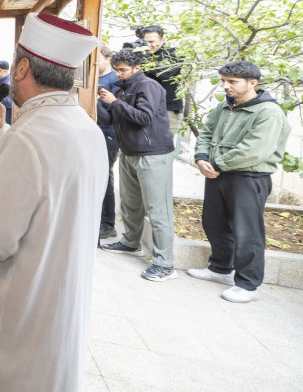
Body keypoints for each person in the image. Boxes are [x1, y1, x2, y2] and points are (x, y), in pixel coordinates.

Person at [0, 13, 106, 391]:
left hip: (19, 304)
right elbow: (46, 177)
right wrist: (1, 132)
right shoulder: (87, 128)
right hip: (58, 299)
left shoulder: (30, 136)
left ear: (21, 68)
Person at [189, 61, 291, 303]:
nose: (225, 86)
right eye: (224, 80)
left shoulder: (269, 112)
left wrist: (217, 164)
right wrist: (201, 157)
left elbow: (255, 149)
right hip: (218, 173)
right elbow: (206, 133)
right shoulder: (223, 107)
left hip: (248, 176)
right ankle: (221, 269)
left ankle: (248, 285)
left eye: (232, 82)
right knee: (214, 223)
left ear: (252, 83)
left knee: (248, 233)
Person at [98, 49, 176, 281]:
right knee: (131, 204)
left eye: (123, 70)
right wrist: (99, 103)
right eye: (116, 70)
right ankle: (131, 242)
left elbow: (144, 117)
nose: (119, 74)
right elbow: (111, 119)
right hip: (130, 152)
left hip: (153, 154)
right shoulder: (124, 88)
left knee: (158, 209)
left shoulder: (148, 86)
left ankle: (165, 264)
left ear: (136, 68)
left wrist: (114, 102)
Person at [141, 25, 184, 137]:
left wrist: (144, 58)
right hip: (143, 108)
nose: (148, 45)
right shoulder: (140, 54)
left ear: (163, 40)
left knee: (162, 147)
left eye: (152, 41)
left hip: (167, 109)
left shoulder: (174, 54)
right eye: (145, 42)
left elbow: (166, 74)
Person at [96, 46, 120, 240]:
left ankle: (108, 224)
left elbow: (109, 118)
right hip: (94, 133)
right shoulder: (93, 78)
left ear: (107, 58)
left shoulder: (114, 80)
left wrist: (95, 99)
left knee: (106, 178)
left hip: (109, 134)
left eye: (97, 57)